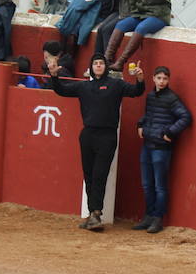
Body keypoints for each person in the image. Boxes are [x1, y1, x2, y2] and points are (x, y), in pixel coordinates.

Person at [51, 55, 145, 231]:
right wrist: (54, 76)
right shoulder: (83, 86)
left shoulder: (116, 85)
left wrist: (140, 79)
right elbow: (61, 90)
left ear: (106, 67)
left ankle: (96, 213)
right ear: (91, 67)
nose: (99, 66)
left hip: (107, 136)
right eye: (95, 63)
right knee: (89, 175)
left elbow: (136, 92)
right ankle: (92, 214)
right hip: (88, 134)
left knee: (99, 175)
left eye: (101, 63)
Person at [134, 66, 191, 235]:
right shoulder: (151, 96)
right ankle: (149, 216)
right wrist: (140, 124)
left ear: (168, 80)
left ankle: (158, 219)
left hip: (162, 148)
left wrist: (170, 132)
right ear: (153, 79)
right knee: (146, 184)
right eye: (159, 78)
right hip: (147, 145)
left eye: (165, 79)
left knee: (159, 186)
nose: (162, 81)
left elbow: (185, 117)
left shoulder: (172, 98)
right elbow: (149, 115)